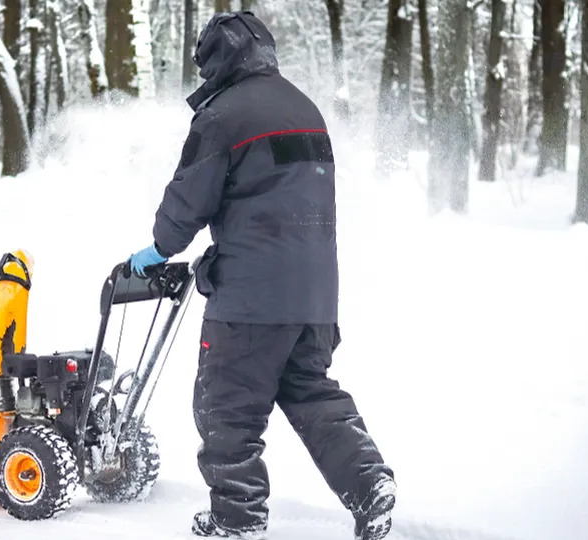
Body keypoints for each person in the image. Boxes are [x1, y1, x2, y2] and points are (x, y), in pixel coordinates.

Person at [127, 10, 396, 540]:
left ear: (219, 60)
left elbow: (190, 196)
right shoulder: (306, 109)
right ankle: (369, 485)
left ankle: (238, 518)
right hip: (315, 300)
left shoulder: (223, 116)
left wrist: (159, 248)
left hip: (250, 303)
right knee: (311, 394)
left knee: (226, 408)